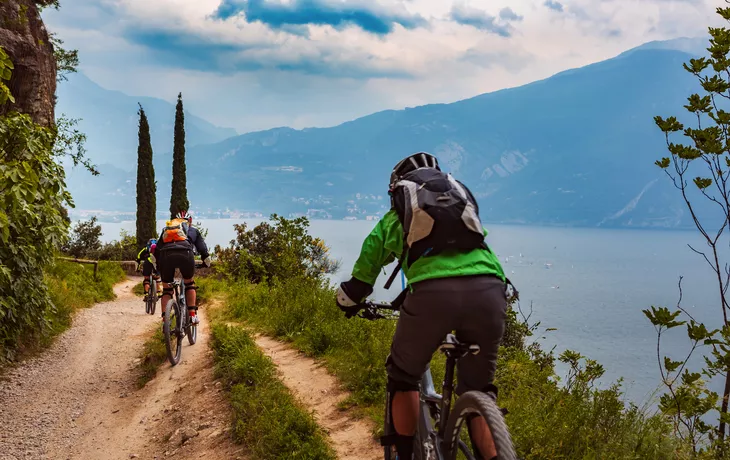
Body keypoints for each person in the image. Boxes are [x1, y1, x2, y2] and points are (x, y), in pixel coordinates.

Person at [336, 152, 509, 460]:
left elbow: (364, 273)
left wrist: (348, 300)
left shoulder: (396, 218)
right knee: (479, 389)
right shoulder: (460, 210)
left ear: (398, 190)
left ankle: (405, 454)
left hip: (431, 297)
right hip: (490, 289)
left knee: (403, 376)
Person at [156, 211, 211, 326]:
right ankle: (192, 315)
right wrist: (206, 262)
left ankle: (165, 321)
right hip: (185, 254)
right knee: (189, 283)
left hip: (166, 256)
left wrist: (157, 264)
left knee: (167, 290)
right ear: (189, 221)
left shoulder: (167, 230)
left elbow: (157, 248)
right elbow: (202, 249)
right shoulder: (193, 230)